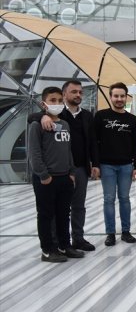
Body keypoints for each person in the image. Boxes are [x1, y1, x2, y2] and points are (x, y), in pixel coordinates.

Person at [28, 79, 97, 251]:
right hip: (54, 171)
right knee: (52, 211)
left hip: (77, 168)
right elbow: (32, 118)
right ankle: (54, 244)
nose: (78, 95)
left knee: (76, 206)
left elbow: (92, 142)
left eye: (80, 92)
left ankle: (77, 239)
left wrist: (94, 163)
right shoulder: (53, 115)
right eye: (74, 92)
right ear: (65, 94)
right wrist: (42, 115)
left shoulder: (86, 116)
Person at [28, 87, 80, 262]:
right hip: (46, 179)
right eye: (52, 100)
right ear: (44, 103)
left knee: (64, 214)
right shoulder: (37, 125)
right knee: (46, 215)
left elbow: (68, 150)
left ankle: (64, 245)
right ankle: (48, 250)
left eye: (59, 100)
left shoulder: (64, 124)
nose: (57, 103)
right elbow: (34, 153)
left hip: (65, 177)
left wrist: (71, 172)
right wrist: (43, 175)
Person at [93, 82, 136, 246]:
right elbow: (94, 142)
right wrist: (95, 164)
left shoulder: (132, 120)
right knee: (108, 199)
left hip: (126, 165)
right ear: (111, 97)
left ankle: (126, 232)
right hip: (106, 165)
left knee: (125, 198)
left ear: (126, 97)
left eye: (122, 96)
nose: (119, 99)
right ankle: (110, 233)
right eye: (116, 96)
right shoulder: (101, 116)